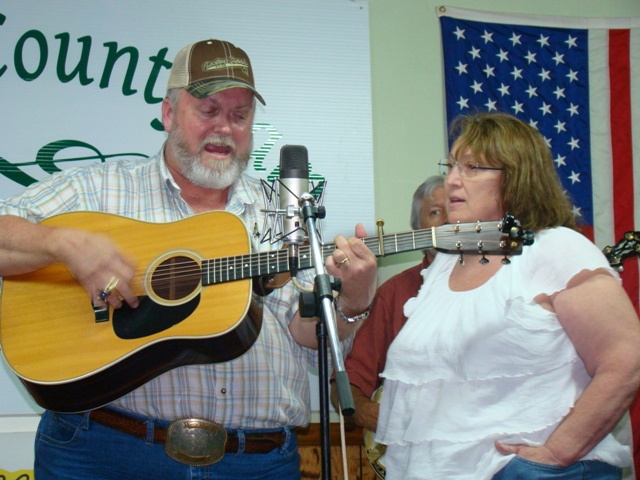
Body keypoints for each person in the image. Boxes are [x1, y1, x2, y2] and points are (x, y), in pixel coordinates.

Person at [0, 39, 377, 480]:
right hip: (103, 453)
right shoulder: (100, 188)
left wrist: (351, 303)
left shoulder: (282, 214)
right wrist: (64, 245)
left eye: (240, 116)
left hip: (255, 463)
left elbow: (304, 334)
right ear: (168, 114)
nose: (225, 128)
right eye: (209, 110)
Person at [375, 111, 640, 480]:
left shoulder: (557, 247)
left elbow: (625, 361)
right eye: (451, 165)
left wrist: (552, 456)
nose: (452, 180)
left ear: (517, 177)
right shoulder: (443, 266)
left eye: (471, 168)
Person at [329, 175, 446, 432]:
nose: (449, 221)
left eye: (457, 209)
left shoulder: (501, 282)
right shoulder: (393, 293)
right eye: (436, 212)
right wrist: (369, 414)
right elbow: (347, 383)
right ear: (417, 230)